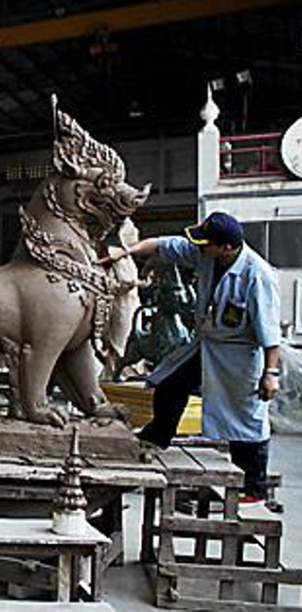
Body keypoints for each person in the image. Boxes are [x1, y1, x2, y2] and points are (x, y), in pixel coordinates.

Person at [99, 211, 282, 514]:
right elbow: (161, 245)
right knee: (171, 384)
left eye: (206, 243)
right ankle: (156, 438)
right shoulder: (206, 255)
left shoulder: (257, 275)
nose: (199, 247)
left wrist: (270, 373)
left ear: (226, 247)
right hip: (208, 344)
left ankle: (253, 488)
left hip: (240, 354)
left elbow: (270, 334)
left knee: (247, 418)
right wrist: (125, 252)